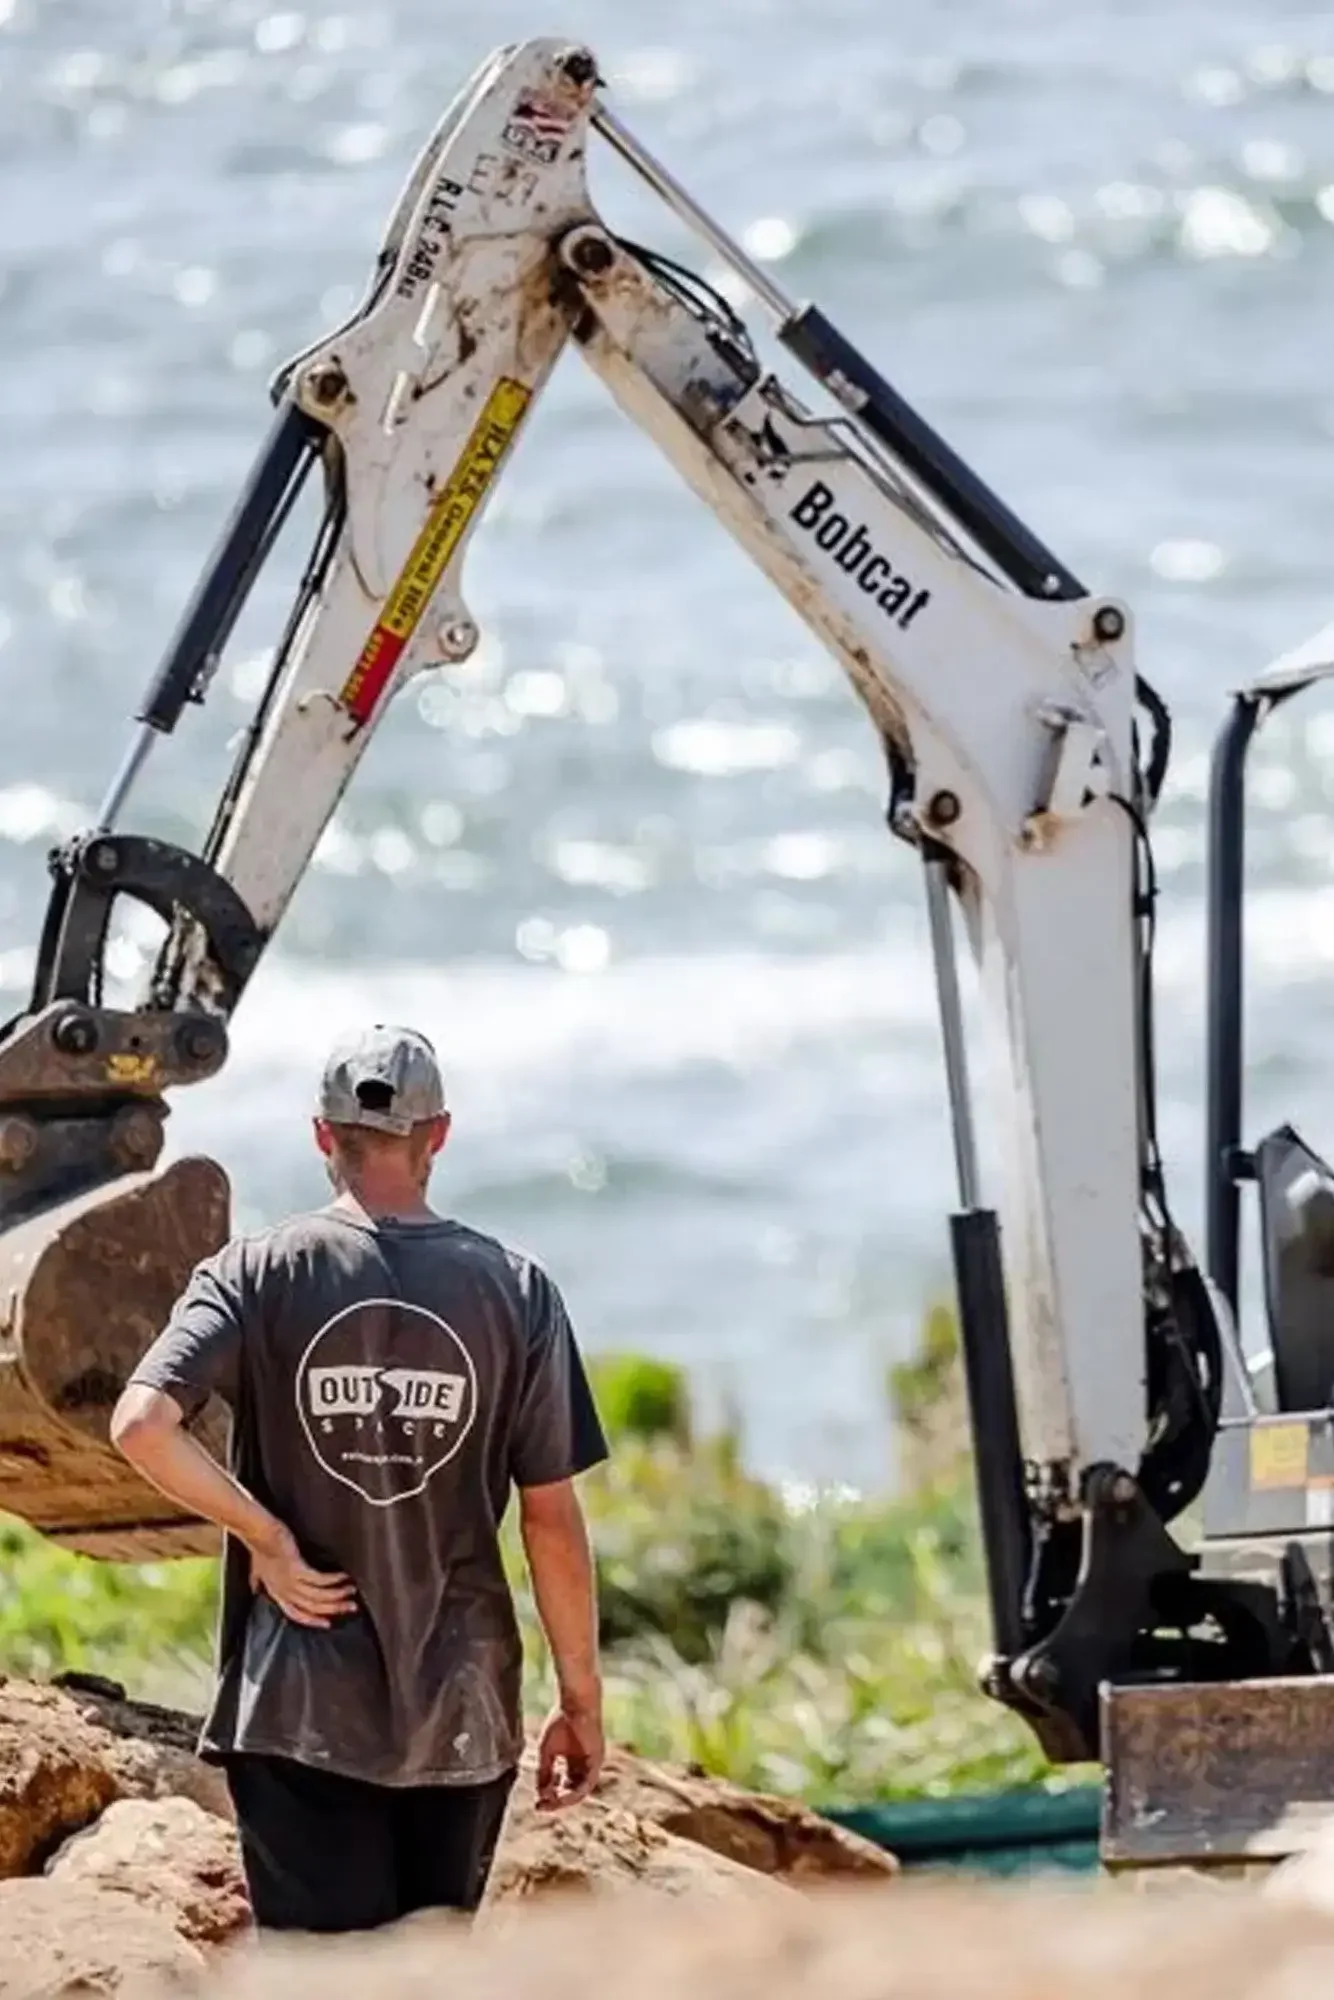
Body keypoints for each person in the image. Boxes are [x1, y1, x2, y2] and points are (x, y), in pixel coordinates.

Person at [110, 1021, 608, 1936]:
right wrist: (579, 1703)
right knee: (425, 1979)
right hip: (461, 1716)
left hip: (297, 1709)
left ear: (322, 1136)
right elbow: (550, 1522)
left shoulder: (253, 1272)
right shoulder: (519, 1291)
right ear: (440, 1135)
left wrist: (268, 1539)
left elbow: (141, 1425)